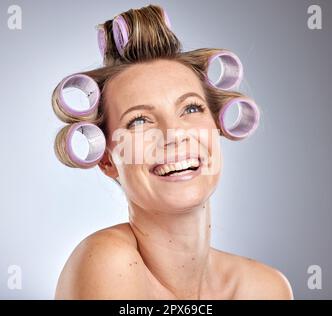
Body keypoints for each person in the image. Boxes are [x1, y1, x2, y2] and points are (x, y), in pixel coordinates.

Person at [53, 4, 293, 300]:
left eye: (191, 108)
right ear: (106, 159)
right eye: (139, 120)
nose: (174, 135)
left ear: (217, 127)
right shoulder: (106, 261)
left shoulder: (267, 288)